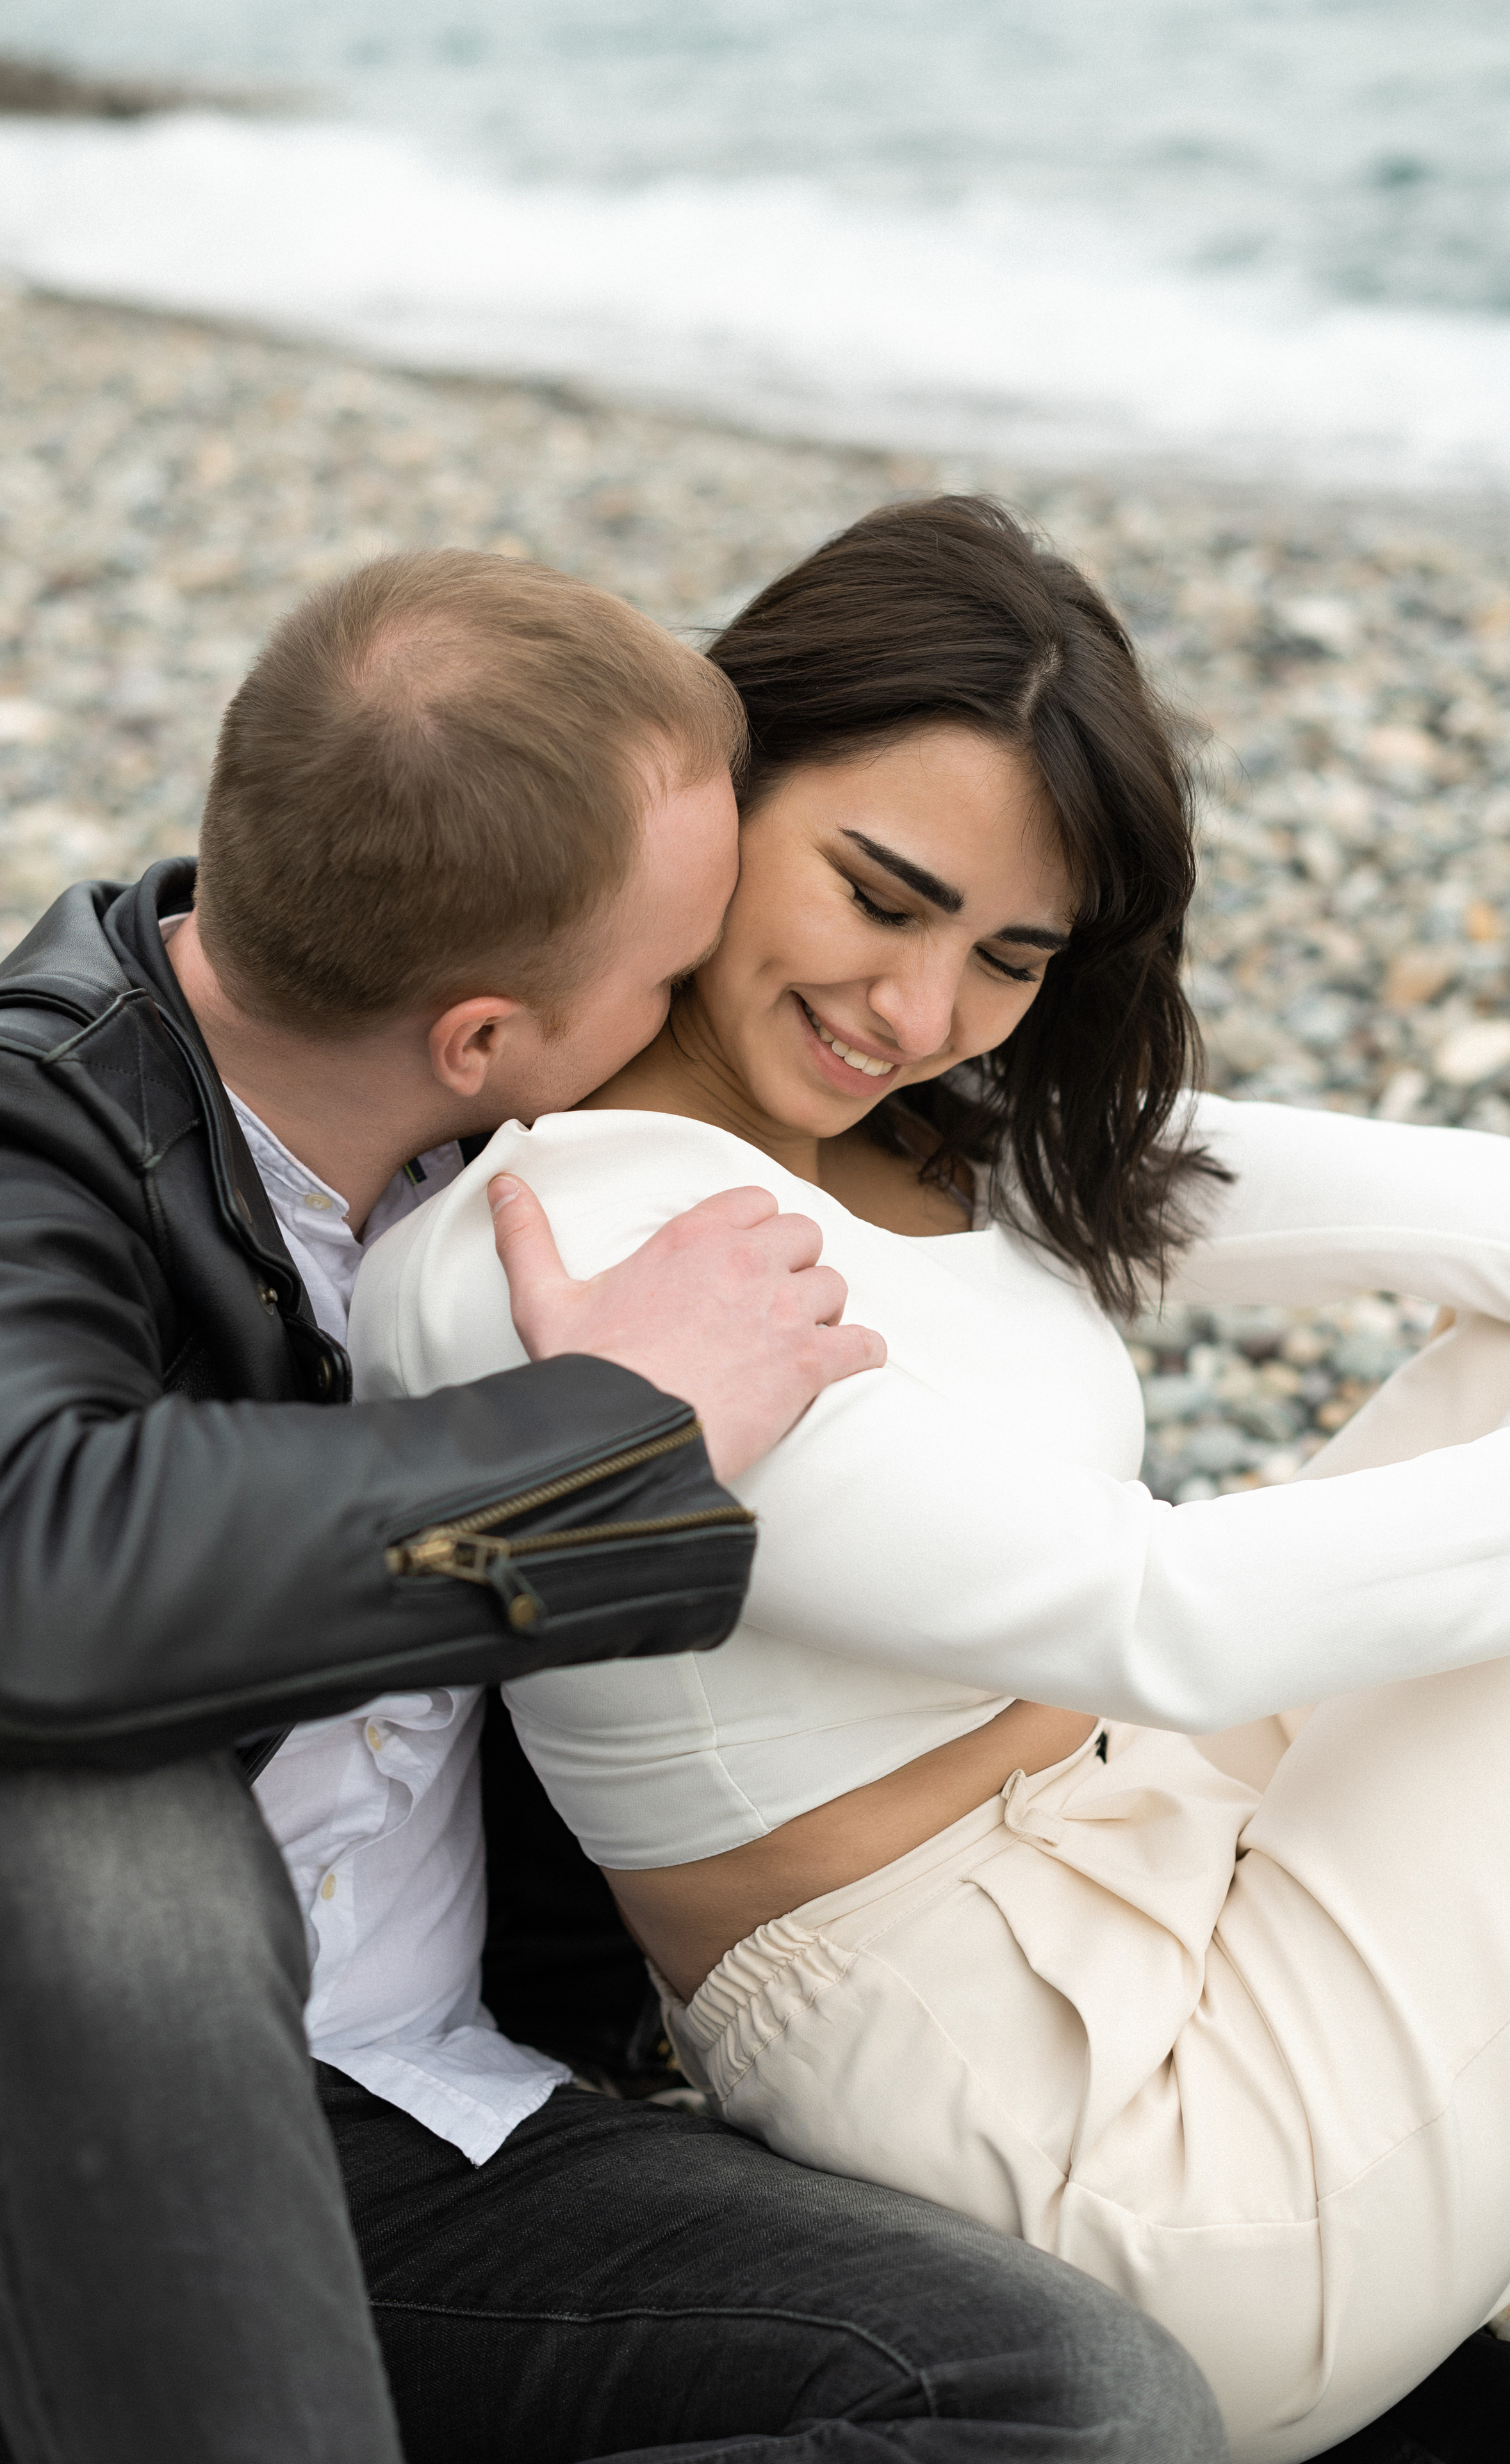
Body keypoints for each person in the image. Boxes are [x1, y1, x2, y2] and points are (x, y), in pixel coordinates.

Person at [0, 546, 1224, 2464]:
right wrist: (613, 1431)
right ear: (488, 1033)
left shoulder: (495, 1122)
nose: (709, 1017)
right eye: (674, 976)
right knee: (85, 1826)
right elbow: (14, 1581)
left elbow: (1076, 1171)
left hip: (432, 2133)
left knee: (1085, 2410)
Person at [350, 498, 1510, 2464]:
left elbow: (1478, 1214)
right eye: (878, 896)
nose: (920, 1010)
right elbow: (1168, 1611)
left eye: (1009, 953)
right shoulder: (585, 1262)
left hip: (1165, 1849)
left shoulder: (941, 1123)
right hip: (1085, 2133)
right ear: (720, 792)